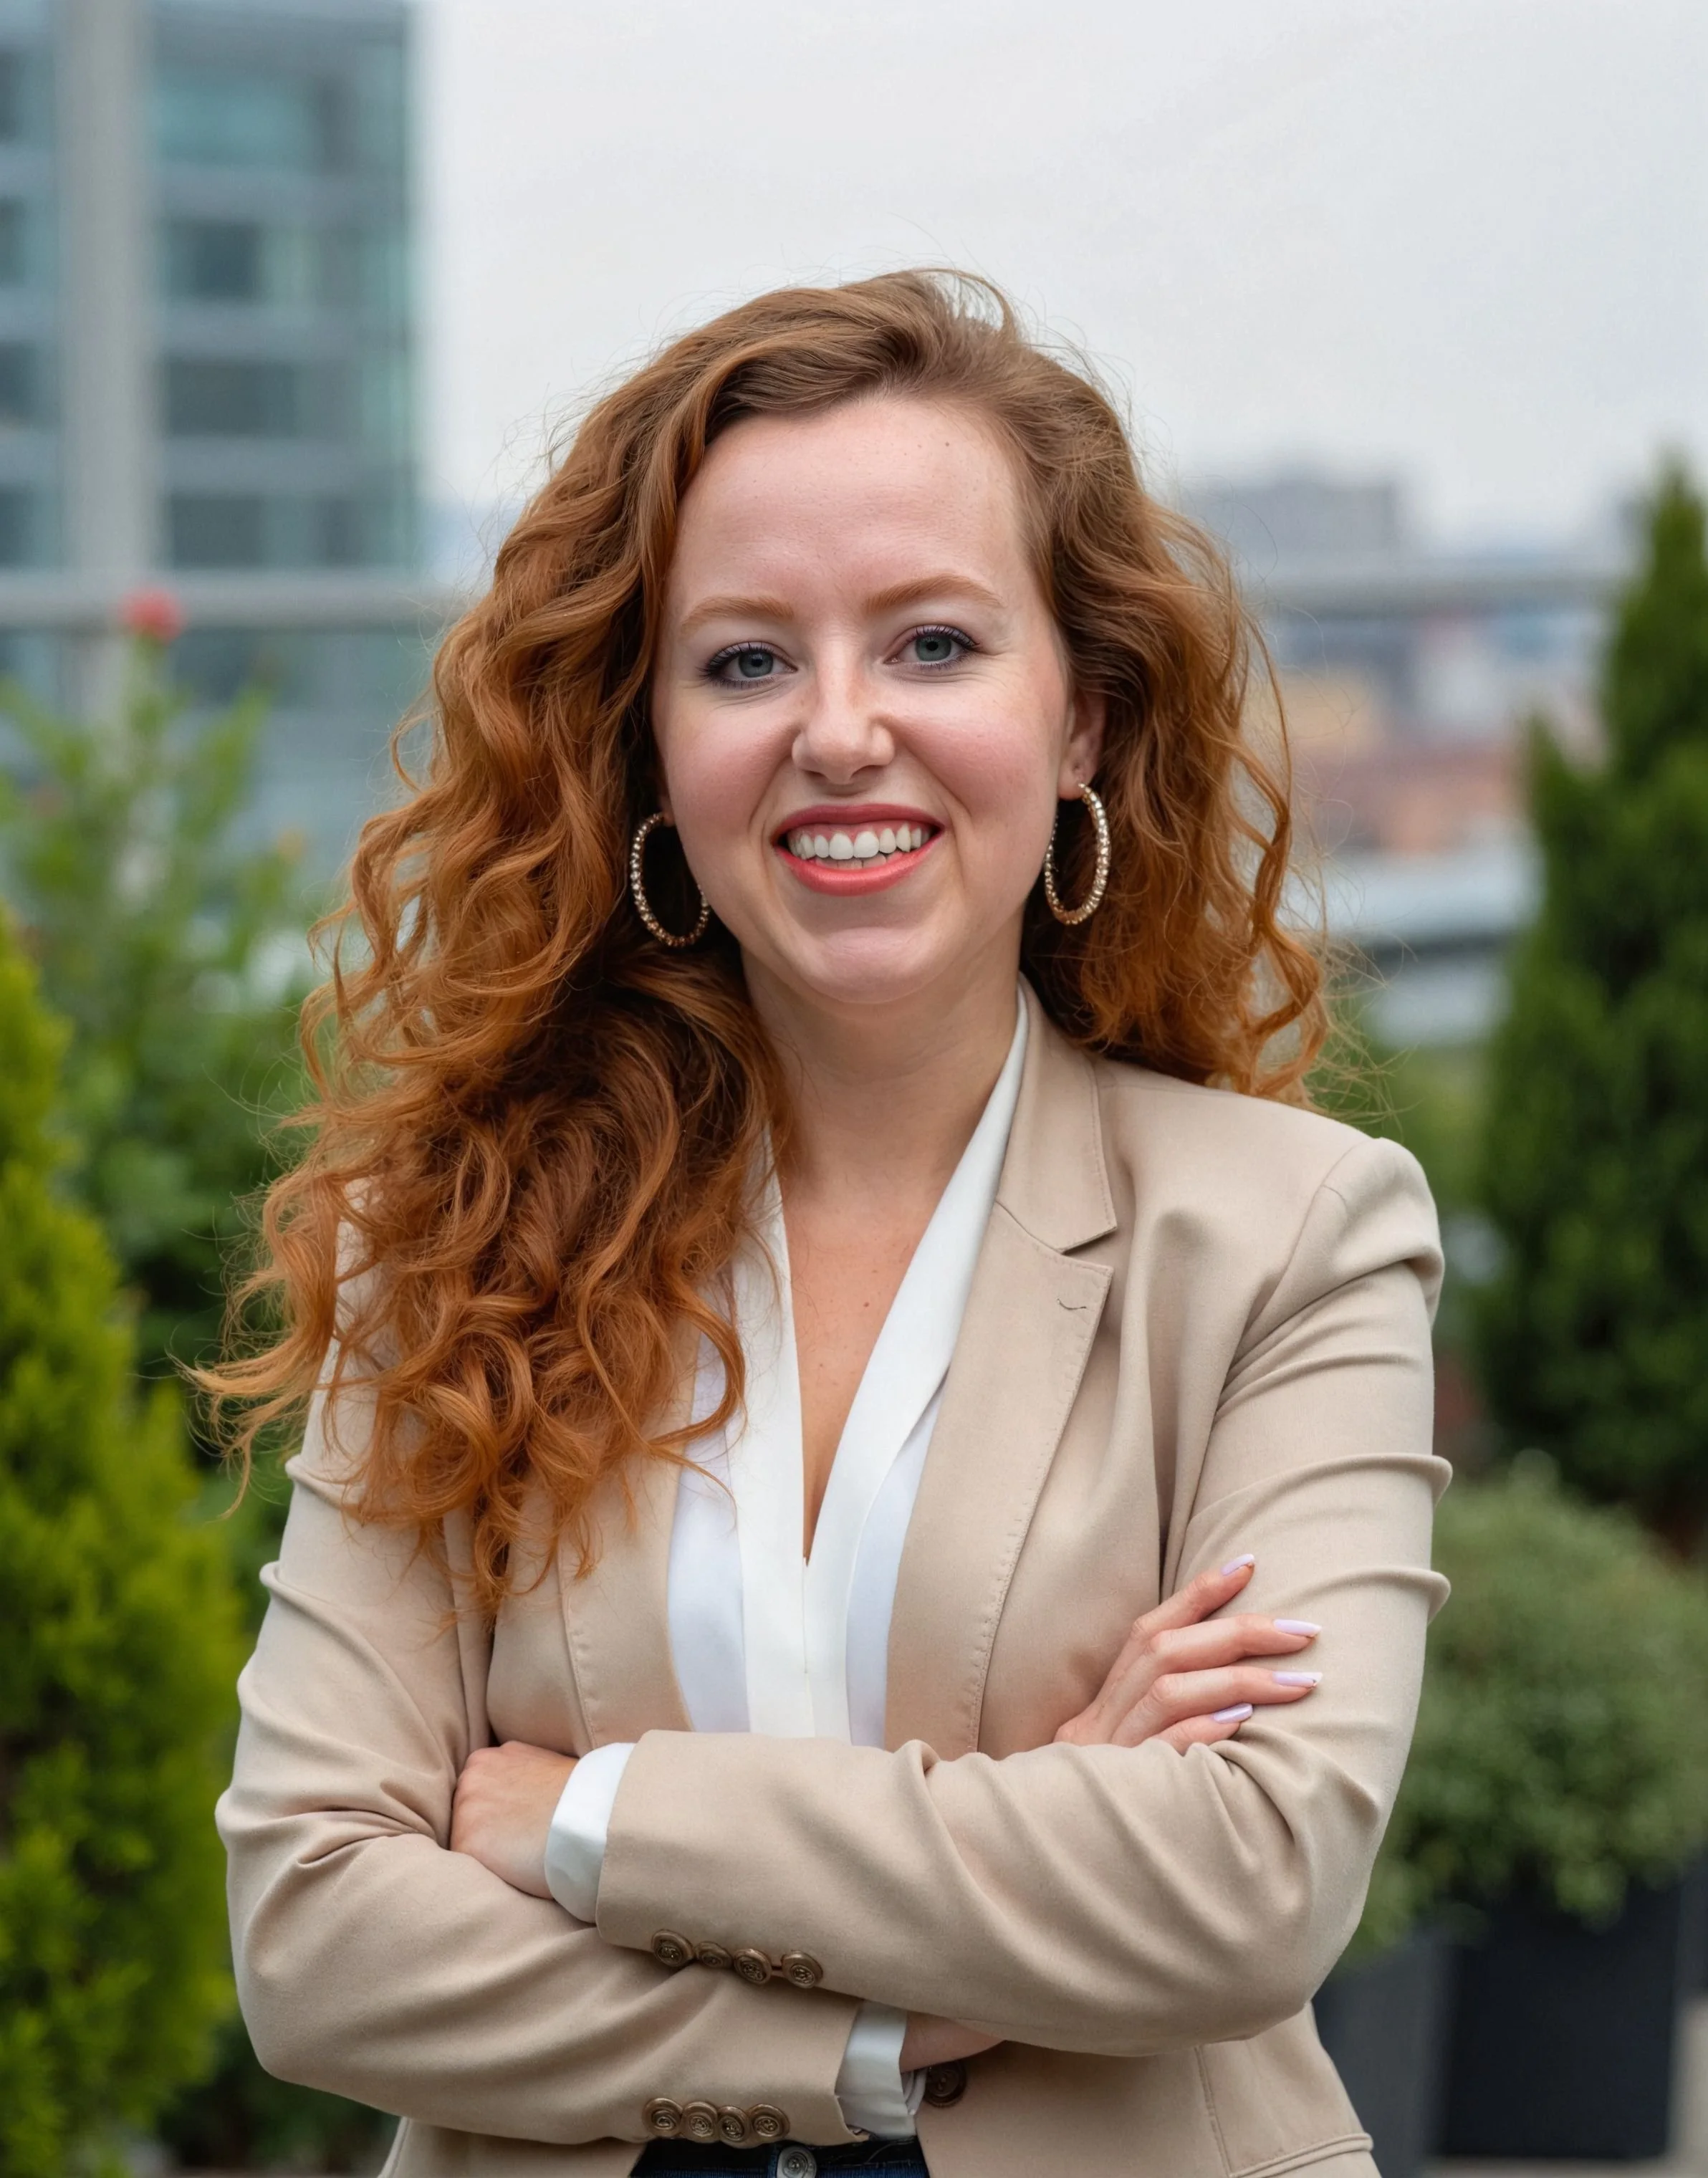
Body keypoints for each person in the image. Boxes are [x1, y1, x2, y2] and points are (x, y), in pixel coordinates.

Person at [212, 271, 1446, 2178]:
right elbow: (316, 1936)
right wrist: (900, 2022)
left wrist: (591, 1827)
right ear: (652, 748)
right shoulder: (452, 1239)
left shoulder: (1291, 1236)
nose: (840, 731)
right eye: (745, 661)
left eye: (934, 644)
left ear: (1083, 719)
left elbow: (1247, 1885)